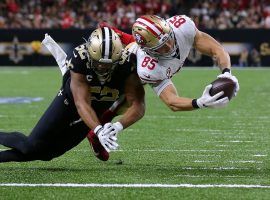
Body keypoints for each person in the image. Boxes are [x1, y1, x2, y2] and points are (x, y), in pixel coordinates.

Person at [0, 27, 145, 162]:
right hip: (68, 103)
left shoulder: (127, 63)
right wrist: (98, 129)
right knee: (30, 146)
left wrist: (118, 126)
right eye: (98, 63)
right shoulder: (80, 57)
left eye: (109, 64)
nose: (103, 68)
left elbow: (138, 105)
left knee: (48, 154)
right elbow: (81, 103)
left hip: (94, 112)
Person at [101, 15, 239, 111]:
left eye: (168, 38)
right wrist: (199, 102)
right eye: (160, 46)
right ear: (149, 51)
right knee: (126, 104)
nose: (168, 46)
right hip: (124, 68)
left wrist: (227, 73)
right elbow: (172, 101)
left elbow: (217, 49)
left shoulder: (182, 26)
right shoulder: (148, 66)